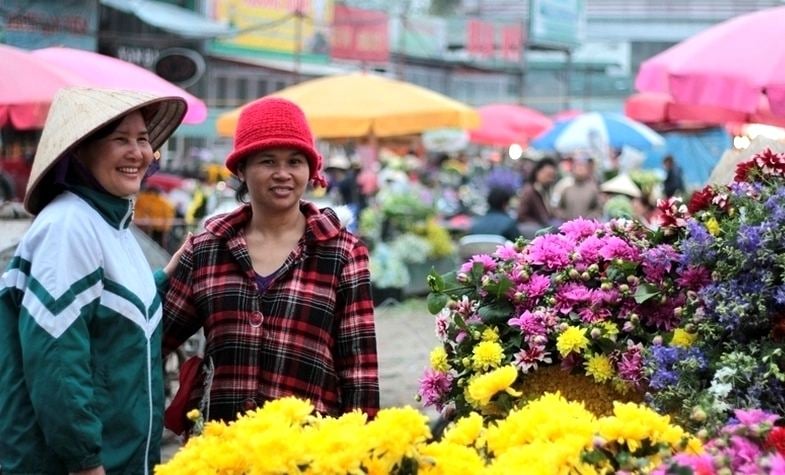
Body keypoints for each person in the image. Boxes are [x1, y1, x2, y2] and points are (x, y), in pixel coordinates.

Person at [0, 87, 187, 474]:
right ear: (80, 151)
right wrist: (85, 461)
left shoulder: (110, 223)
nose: (138, 152)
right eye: (120, 139)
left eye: (142, 139)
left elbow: (109, 319)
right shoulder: (69, 226)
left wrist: (164, 278)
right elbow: (57, 360)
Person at [163, 97, 379, 429]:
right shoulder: (207, 249)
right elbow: (158, 337)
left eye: (295, 161)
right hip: (223, 450)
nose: (283, 174)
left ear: (310, 170)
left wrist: (364, 447)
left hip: (311, 452)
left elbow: (359, 371)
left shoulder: (342, 252)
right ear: (242, 169)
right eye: (267, 161)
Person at [517, 157, 560, 238]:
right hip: (535, 228)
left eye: (552, 176)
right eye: (548, 175)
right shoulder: (530, 191)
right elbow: (521, 215)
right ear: (538, 172)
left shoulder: (546, 190)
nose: (550, 179)